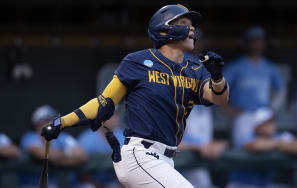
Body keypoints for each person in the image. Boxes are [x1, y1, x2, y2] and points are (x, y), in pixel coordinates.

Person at [40, 4, 229, 188]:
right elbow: (103, 103)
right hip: (140, 156)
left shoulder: (195, 69)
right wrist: (62, 122)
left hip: (166, 160)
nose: (192, 28)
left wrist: (218, 78)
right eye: (184, 22)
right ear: (164, 30)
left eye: (192, 23)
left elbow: (219, 99)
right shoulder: (138, 61)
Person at [223, 26, 286, 147]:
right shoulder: (236, 66)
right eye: (254, 40)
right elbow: (218, 89)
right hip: (243, 114)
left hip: (264, 114)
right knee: (243, 147)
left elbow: (281, 89)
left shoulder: (270, 67)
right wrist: (227, 109)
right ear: (247, 43)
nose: (257, 43)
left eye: (260, 40)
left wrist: (273, 108)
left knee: (269, 147)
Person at [227, 108, 297, 188]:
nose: (270, 125)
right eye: (266, 123)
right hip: (241, 184)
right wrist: (279, 144)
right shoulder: (247, 136)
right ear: (257, 127)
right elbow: (255, 146)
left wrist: (279, 144)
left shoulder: (278, 136)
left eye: (272, 122)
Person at [20, 105, 87, 188]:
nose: (49, 123)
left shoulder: (63, 137)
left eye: (51, 120)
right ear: (36, 124)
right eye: (44, 121)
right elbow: (43, 154)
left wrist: (57, 159)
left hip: (62, 183)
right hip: (32, 184)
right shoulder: (30, 137)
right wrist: (67, 155)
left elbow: (82, 156)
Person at [178, 105, 227, 188]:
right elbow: (167, 143)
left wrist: (220, 145)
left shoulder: (206, 107)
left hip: (202, 179)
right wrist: (199, 147)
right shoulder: (177, 103)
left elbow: (208, 141)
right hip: (178, 179)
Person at [77, 112, 124, 188]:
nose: (113, 119)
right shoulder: (86, 138)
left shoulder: (124, 136)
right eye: (109, 115)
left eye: (115, 115)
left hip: (116, 182)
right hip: (91, 182)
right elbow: (80, 172)